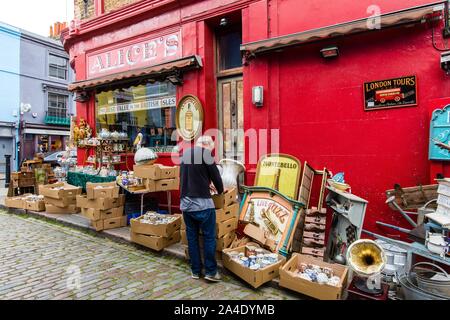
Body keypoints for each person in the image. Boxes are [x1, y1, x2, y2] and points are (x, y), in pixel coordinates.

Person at [180, 135, 224, 282]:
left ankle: (195, 270)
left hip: (186, 204)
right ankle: (211, 272)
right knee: (209, 237)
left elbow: (190, 177)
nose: (211, 152)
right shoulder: (205, 154)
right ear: (206, 145)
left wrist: (206, 183)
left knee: (192, 238)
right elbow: (217, 177)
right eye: (211, 149)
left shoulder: (186, 154)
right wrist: (220, 191)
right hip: (203, 205)